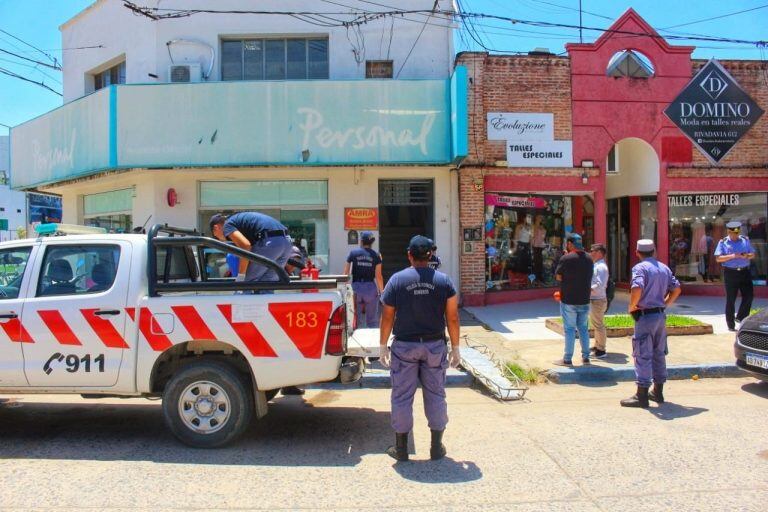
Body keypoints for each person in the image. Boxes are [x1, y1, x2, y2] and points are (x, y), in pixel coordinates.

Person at [379, 236, 461, 462]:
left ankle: (401, 449)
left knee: (402, 396)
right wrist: (455, 347)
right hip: (434, 345)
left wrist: (382, 345)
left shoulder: (397, 280)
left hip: (404, 346)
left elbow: (387, 316)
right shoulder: (444, 281)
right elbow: (452, 317)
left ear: (409, 255)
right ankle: (436, 447)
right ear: (430, 256)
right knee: (436, 394)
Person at [622, 239, 681, 408]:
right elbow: (677, 289)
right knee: (659, 353)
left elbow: (637, 288)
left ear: (637, 252)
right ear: (654, 251)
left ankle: (641, 395)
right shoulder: (664, 268)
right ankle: (658, 391)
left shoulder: (639, 268)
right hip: (660, 315)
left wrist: (632, 306)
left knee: (642, 354)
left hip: (645, 315)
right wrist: (666, 304)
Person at [209, 212, 293, 283]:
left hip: (270, 242)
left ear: (216, 228)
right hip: (287, 242)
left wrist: (241, 275)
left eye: (216, 237)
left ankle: (240, 301)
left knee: (247, 283)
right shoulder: (240, 221)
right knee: (267, 283)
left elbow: (245, 246)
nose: (221, 239)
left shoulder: (227, 225)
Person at [553, 233, 594, 366]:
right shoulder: (589, 258)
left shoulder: (566, 258)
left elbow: (558, 277)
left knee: (570, 329)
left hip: (569, 299)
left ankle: (567, 358)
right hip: (584, 299)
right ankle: (586, 357)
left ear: (570, 244)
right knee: (583, 328)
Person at [714, 221, 755, 331]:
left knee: (749, 296)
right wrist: (733, 256)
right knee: (731, 299)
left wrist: (746, 255)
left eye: (737, 233)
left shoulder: (745, 240)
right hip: (731, 273)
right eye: (733, 234)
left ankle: (741, 317)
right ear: (728, 232)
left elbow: (752, 254)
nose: (735, 235)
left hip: (744, 272)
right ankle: (730, 324)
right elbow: (718, 258)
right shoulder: (723, 242)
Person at [343, 232, 384, 328]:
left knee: (356, 320)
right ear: (372, 242)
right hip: (370, 289)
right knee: (373, 321)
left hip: (356, 288)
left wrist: (345, 289)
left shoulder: (353, 253)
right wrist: (382, 293)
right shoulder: (376, 255)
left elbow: (346, 273)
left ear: (361, 241)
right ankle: (373, 341)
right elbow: (378, 276)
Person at [589, 244, 609, 359]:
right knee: (596, 324)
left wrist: (588, 289)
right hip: (595, 299)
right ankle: (597, 345)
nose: (591, 252)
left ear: (599, 252)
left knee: (599, 325)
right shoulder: (597, 265)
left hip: (598, 300)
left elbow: (599, 284)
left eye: (593, 250)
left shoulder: (601, 267)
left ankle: (601, 349)